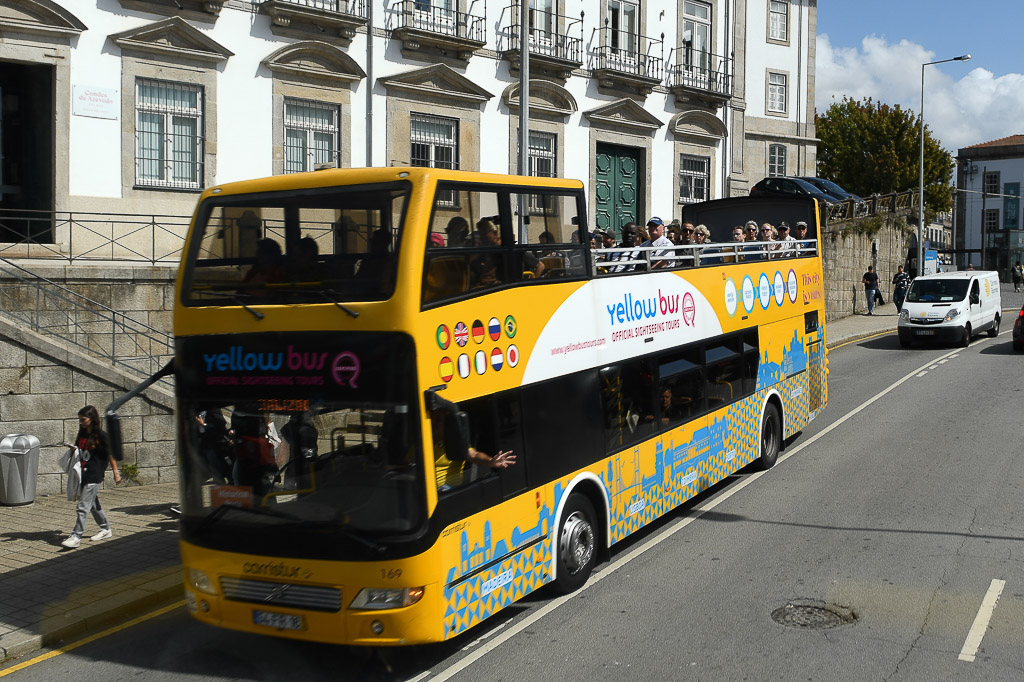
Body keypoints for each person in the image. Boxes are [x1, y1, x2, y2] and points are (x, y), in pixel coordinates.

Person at [61, 405, 121, 548]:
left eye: (83, 420)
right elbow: (80, 449)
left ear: (92, 419)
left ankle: (76, 536)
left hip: (94, 474)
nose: (81, 423)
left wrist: (116, 473)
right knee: (93, 505)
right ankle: (106, 528)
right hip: (82, 472)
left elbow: (110, 454)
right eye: (79, 420)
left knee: (83, 506)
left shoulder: (101, 436)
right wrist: (73, 449)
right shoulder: (82, 433)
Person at [431, 411, 516, 492]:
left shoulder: (456, 441)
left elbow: (474, 455)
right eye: (433, 419)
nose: (434, 423)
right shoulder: (424, 442)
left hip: (446, 489)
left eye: (438, 420)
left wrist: (490, 461)